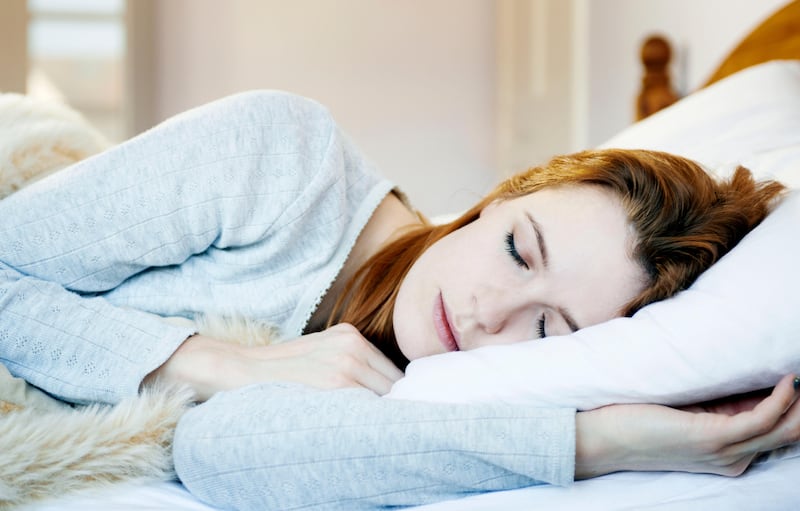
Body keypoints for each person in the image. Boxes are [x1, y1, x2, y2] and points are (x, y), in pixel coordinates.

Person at [0, 91, 796, 511]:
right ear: (507, 191)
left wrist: (598, 442)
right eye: (519, 248)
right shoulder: (281, 159)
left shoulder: (436, 389)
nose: (489, 313)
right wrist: (216, 360)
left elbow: (223, 454)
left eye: (549, 328)